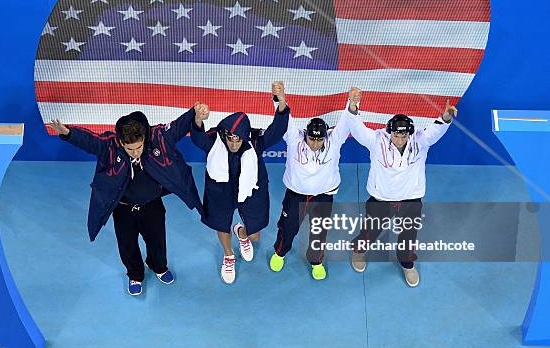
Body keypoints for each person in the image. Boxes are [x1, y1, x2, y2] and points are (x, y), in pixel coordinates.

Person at [48, 104, 206, 296]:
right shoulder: (110, 146)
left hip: (152, 206)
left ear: (144, 138)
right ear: (121, 143)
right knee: (127, 244)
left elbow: (179, 127)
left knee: (157, 241)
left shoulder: (158, 137)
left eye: (139, 146)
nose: (135, 152)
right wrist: (67, 133)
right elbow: (90, 141)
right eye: (130, 148)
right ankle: (135, 274)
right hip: (123, 210)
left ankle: (159, 266)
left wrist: (194, 113)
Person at [345, 93, 457, 287]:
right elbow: (357, 129)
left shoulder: (420, 141)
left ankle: (407, 264)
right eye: (396, 134)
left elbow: (436, 130)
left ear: (409, 133)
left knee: (408, 235)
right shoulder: (376, 140)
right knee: (371, 230)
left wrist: (446, 117)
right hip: (381, 197)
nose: (399, 138)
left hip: (410, 199)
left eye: (404, 134)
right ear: (390, 132)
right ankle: (359, 251)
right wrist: (353, 107)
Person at [190, 83, 289, 284]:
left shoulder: (256, 140)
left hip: (250, 189)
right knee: (221, 224)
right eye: (230, 139)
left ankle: (242, 234)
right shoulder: (214, 140)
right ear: (225, 134)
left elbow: (277, 130)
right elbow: (198, 138)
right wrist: (198, 120)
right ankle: (228, 256)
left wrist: (281, 101)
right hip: (221, 190)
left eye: (238, 140)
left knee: (255, 236)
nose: (234, 144)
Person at [269, 86, 360, 280]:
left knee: (319, 232)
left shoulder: (334, 143)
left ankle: (316, 262)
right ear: (306, 134)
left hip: (323, 197)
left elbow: (346, 121)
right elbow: (285, 119)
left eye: (320, 140)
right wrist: (280, 98)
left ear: (326, 136)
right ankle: (280, 252)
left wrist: (352, 103)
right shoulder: (294, 140)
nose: (316, 143)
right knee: (288, 227)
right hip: (295, 195)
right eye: (312, 139)